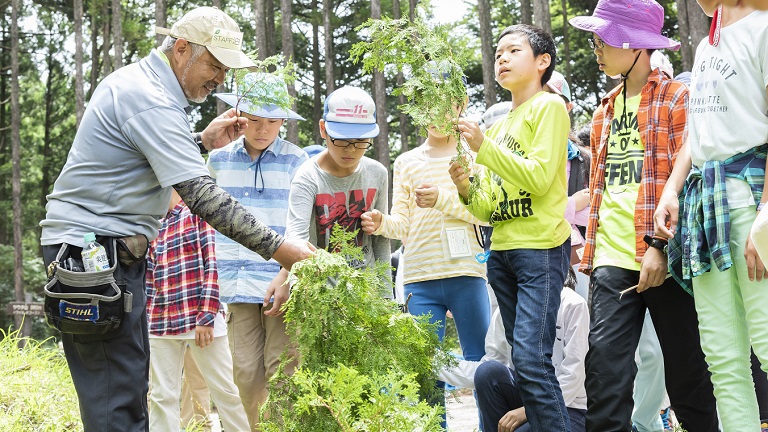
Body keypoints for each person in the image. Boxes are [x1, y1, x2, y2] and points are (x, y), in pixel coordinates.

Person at [39, 6, 313, 431]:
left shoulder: (147, 88)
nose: (220, 78)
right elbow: (203, 197)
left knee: (126, 388)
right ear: (182, 49)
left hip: (106, 253)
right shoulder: (150, 99)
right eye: (215, 65)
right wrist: (283, 250)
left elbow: (137, 158)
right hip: (93, 256)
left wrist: (199, 141)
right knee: (117, 398)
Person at [568, 1, 719, 430]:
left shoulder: (676, 98)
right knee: (606, 377)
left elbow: (686, 182)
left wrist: (657, 244)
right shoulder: (603, 110)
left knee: (688, 374)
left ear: (633, 43)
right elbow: (603, 189)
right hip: (611, 259)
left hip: (666, 258)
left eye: (604, 38)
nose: (596, 47)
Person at [450, 24, 573, 431]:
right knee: (523, 360)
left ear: (542, 62)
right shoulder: (502, 125)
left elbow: (538, 178)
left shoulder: (550, 107)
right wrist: (465, 186)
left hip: (540, 247)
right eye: (498, 51)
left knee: (532, 359)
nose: (501, 58)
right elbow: (489, 208)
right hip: (501, 252)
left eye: (513, 51)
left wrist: (484, 148)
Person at [652, 1, 768, 430]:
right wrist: (671, 189)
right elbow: (698, 133)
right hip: (705, 203)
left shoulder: (764, 28)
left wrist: (765, 216)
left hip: (749, 194)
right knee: (722, 356)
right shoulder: (706, 44)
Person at [360, 65, 491, 428]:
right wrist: (380, 223)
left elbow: (486, 216)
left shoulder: (475, 154)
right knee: (424, 367)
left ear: (462, 103)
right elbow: (401, 224)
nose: (436, 113)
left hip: (467, 273)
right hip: (419, 277)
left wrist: (442, 201)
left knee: (480, 363)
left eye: (444, 103)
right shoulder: (406, 162)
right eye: (427, 104)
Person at [207, 72, 308, 430]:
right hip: (235, 281)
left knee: (283, 370)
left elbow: (302, 226)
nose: (262, 129)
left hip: (282, 283)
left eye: (271, 121)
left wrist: (288, 275)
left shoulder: (298, 162)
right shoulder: (218, 161)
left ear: (283, 121)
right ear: (238, 118)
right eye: (254, 120)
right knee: (245, 373)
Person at [272, 86, 391, 303]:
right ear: (323, 129)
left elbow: (380, 241)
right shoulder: (307, 177)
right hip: (319, 295)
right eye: (342, 140)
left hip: (367, 293)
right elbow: (296, 241)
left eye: (361, 141)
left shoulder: (378, 173)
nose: (351, 150)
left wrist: (387, 300)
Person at [146, 191, 250, 432]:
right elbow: (149, 277)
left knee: (225, 392)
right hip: (160, 321)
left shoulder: (197, 212)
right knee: (162, 396)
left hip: (202, 321)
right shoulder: (152, 222)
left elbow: (212, 264)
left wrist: (206, 316)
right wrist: (148, 318)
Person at [439, 268, 589, 432]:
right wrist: (434, 362)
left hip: (569, 408)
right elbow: (488, 368)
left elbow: (573, 376)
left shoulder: (572, 304)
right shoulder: (508, 308)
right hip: (526, 400)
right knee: (488, 371)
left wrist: (526, 411)